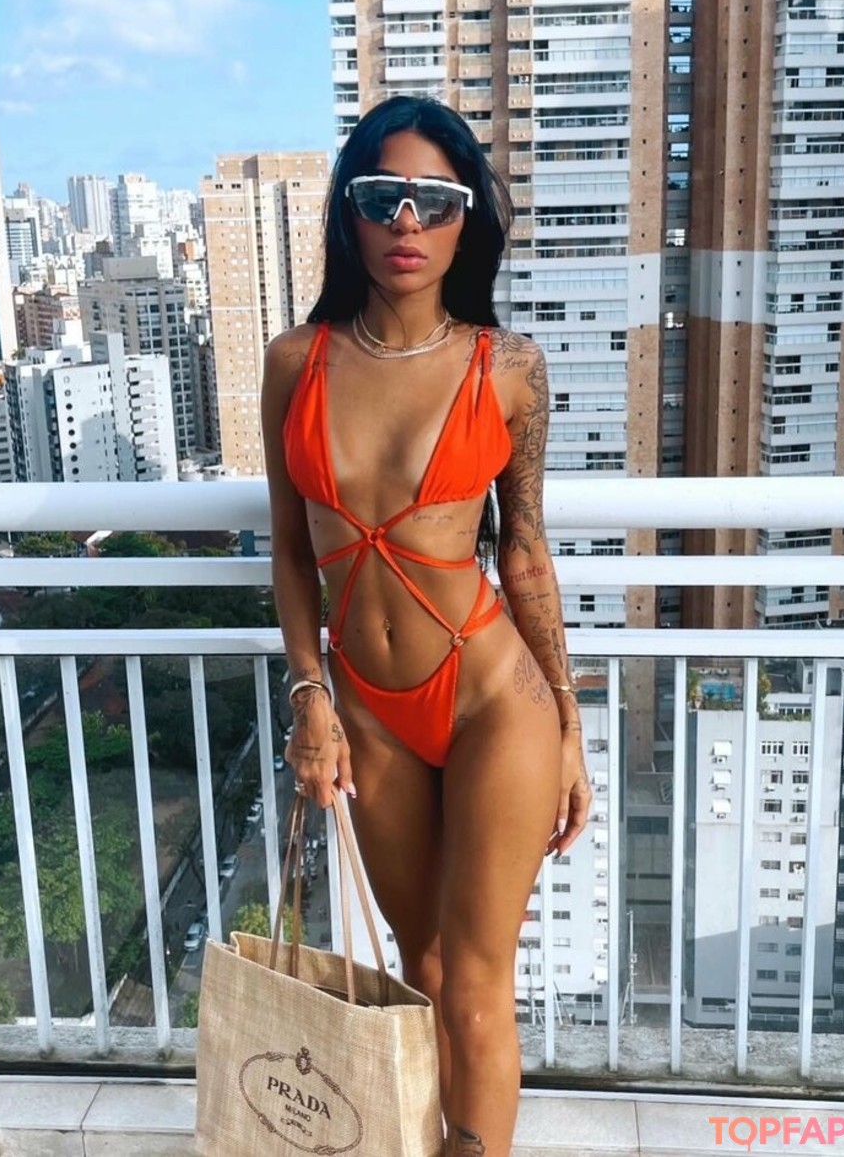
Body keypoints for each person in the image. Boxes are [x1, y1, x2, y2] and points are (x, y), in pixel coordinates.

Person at [261, 96, 592, 1157]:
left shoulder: (508, 367)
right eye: (382, 197)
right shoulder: (295, 361)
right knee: (426, 967)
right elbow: (290, 551)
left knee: (481, 980)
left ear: (466, 222)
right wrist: (310, 696)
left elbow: (524, 550)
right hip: (368, 707)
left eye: (435, 201)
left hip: (495, 696)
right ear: (349, 214)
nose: (407, 221)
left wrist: (569, 726)